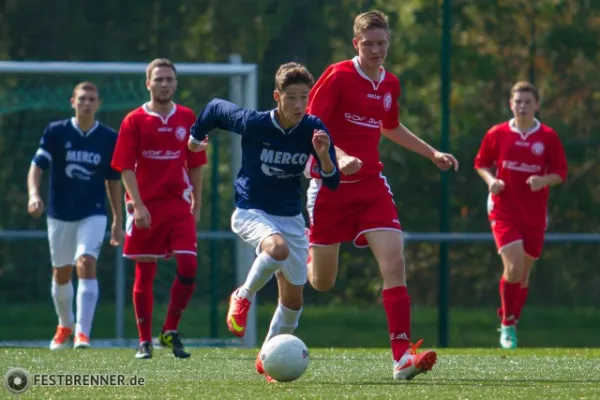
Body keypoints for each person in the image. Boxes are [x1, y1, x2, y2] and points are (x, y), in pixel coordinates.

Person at [303, 10, 459, 380]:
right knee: (322, 283)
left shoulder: (390, 84)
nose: (376, 50)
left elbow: (391, 127)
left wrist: (432, 152)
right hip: (330, 186)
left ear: (389, 42)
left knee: (394, 262)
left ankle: (402, 357)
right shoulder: (337, 76)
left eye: (382, 43)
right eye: (369, 44)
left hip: (372, 187)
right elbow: (311, 126)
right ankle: (297, 253)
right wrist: (339, 158)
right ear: (355, 43)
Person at [188, 62, 340, 382]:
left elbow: (333, 180)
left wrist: (324, 155)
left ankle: (266, 357)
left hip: (291, 217)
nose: (299, 105)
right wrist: (195, 136)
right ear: (277, 96)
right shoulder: (255, 124)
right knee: (277, 249)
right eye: (292, 98)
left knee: (293, 301)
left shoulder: (313, 128)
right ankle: (242, 296)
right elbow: (215, 108)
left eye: (304, 97)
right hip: (250, 210)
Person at [110, 58, 207, 359]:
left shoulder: (189, 117)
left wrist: (198, 202)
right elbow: (124, 167)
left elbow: (196, 164)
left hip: (178, 205)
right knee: (145, 272)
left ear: (176, 83)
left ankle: (170, 330)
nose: (164, 84)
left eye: (169, 79)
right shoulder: (134, 120)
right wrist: (137, 205)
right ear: (148, 83)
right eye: (159, 79)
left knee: (189, 266)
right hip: (145, 206)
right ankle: (144, 341)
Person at [27, 81, 123, 350]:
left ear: (99, 104)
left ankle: (83, 333)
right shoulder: (56, 132)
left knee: (86, 262)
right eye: (82, 98)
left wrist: (117, 220)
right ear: (73, 102)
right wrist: (34, 195)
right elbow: (36, 167)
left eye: (92, 99)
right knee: (61, 273)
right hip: (59, 214)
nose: (87, 103)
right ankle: (65, 324)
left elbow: (113, 181)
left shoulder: (108, 137)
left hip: (92, 213)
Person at [474, 81, 568, 349]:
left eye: (528, 102)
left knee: (523, 275)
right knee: (513, 267)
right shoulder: (498, 133)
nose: (522, 106)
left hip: (535, 214)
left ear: (537, 105)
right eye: (518, 101)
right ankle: (506, 325)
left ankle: (511, 319)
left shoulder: (548, 137)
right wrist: (491, 181)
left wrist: (543, 180)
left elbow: (560, 174)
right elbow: (481, 163)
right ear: (510, 104)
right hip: (504, 210)